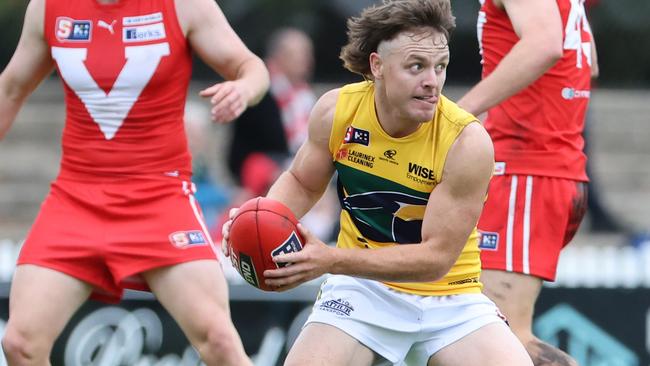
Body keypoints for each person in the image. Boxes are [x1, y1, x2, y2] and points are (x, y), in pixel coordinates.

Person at [223, 0, 533, 365]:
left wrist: (331, 259)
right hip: (362, 291)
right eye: (416, 66)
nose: (432, 81)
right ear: (377, 65)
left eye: (440, 66)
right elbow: (303, 183)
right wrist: (259, 219)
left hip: (450, 297)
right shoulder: (336, 110)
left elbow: (435, 259)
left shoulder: (466, 141)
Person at [0, 0, 269, 364]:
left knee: (218, 339)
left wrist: (243, 90)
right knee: (20, 342)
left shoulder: (183, 5)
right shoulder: (48, 7)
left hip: (160, 198)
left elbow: (252, 68)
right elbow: (11, 88)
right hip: (76, 198)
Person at [456, 0, 596, 365]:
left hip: (527, 172)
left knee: (501, 338)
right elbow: (587, 63)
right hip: (543, 171)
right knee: (473, 334)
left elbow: (546, 44)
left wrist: (458, 115)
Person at [266, 27, 317, 153]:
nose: (306, 60)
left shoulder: (306, 95)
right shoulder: (266, 92)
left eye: (307, 54)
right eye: (298, 54)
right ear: (279, 57)